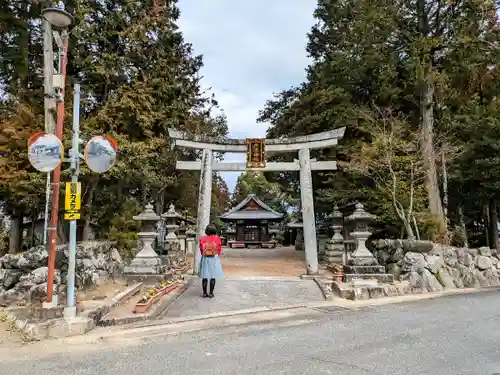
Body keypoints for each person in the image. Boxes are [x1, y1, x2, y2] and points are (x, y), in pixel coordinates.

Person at [199, 224, 224, 298]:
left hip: (205, 258)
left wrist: (205, 254)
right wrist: (216, 255)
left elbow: (201, 249)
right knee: (213, 276)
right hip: (214, 258)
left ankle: (204, 293)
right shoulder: (217, 238)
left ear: (206, 231)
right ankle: (211, 293)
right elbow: (219, 249)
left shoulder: (202, 238)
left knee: (205, 276)